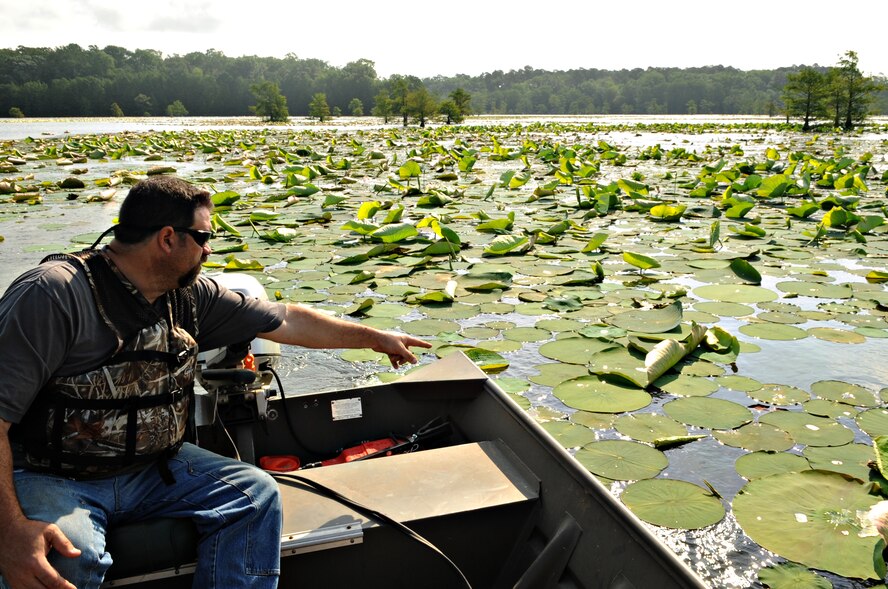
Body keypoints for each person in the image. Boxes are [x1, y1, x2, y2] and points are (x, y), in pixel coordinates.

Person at [0, 175, 431, 589]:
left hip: (154, 468)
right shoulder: (52, 295)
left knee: (254, 494)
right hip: (52, 473)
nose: (209, 251)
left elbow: (285, 318)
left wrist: (375, 337)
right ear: (168, 238)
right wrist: (11, 532)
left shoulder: (190, 296)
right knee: (63, 557)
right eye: (204, 238)